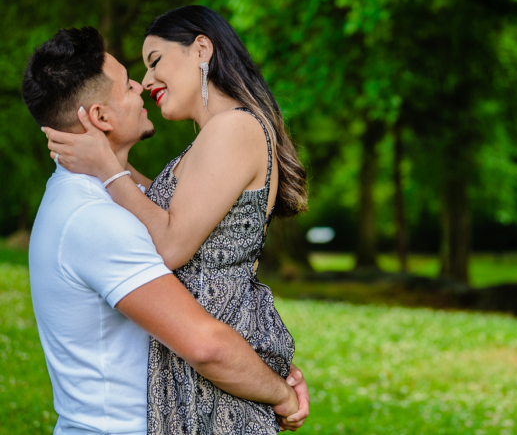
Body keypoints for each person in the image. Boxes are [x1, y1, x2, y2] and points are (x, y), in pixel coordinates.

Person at [24, 26, 308, 434]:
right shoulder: (93, 216)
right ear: (100, 117)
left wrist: (262, 368)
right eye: (126, 84)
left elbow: (200, 285)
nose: (141, 84)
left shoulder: (107, 196)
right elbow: (206, 345)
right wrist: (281, 393)